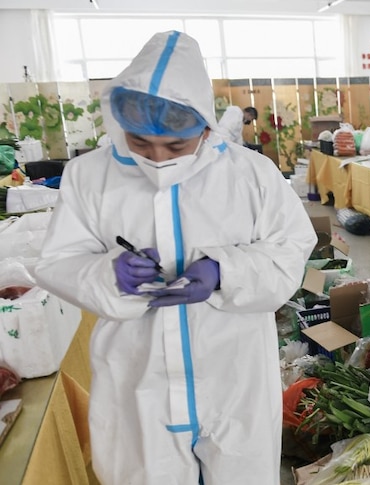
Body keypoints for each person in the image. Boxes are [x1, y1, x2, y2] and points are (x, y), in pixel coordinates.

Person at [34, 31, 317, 485]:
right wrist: (108, 274)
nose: (158, 159)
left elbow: (290, 250)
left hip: (234, 374)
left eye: (175, 146)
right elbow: (57, 260)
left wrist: (225, 270)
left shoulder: (251, 175)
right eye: (140, 144)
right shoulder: (90, 176)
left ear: (205, 125)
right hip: (137, 377)